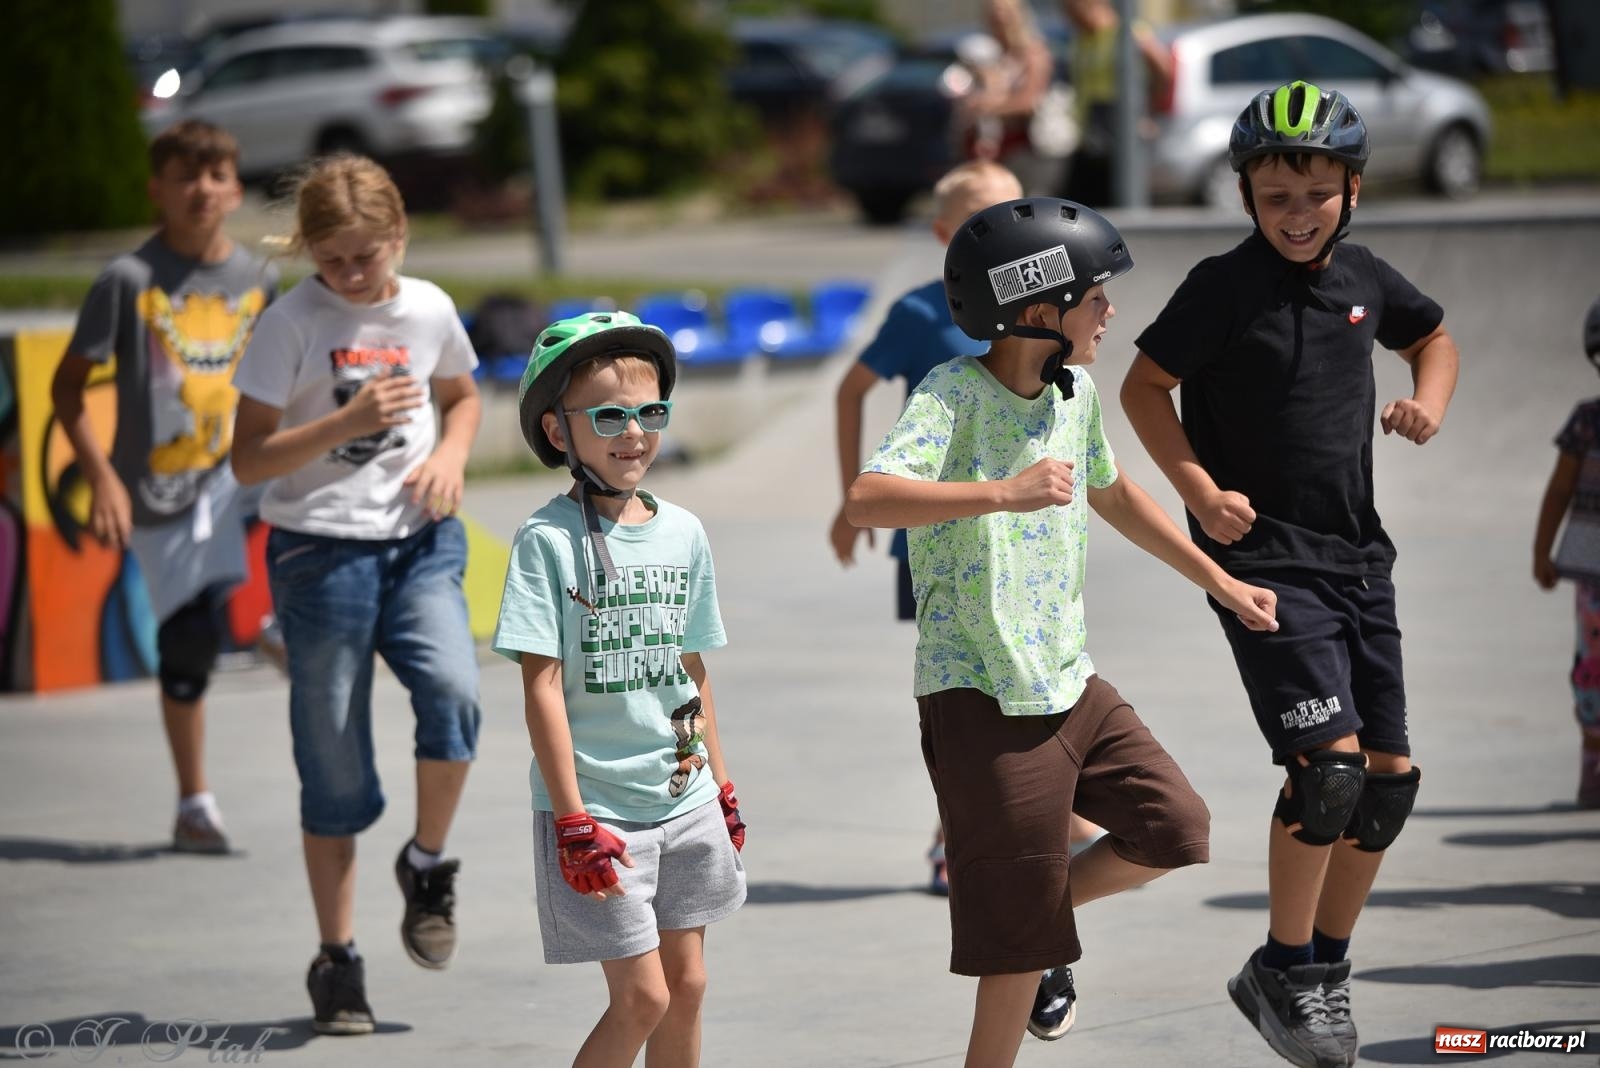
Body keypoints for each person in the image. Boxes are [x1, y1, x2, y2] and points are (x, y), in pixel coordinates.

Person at [845, 195, 1279, 1067]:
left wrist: (1222, 582)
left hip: (1070, 682)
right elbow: (868, 499)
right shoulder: (951, 394)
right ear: (1038, 312)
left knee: (1174, 827)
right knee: (1012, 951)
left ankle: (1034, 915)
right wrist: (999, 490)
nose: (1112, 312)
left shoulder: (1073, 393)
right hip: (979, 694)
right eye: (1096, 297)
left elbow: (1114, 495)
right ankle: (1022, 938)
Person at [1121, 82, 1461, 1068]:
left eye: (1315, 193)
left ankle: (1317, 966)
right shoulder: (1222, 288)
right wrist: (1195, 485)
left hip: (1358, 558)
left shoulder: (1363, 274)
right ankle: (1287, 965)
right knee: (1328, 774)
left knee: (1386, 786)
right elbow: (1145, 387)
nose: (1297, 214)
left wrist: (1426, 399)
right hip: (1264, 565)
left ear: (1351, 190)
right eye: (1275, 198)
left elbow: (1430, 337)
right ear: (1245, 197)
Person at [230, 155, 484, 1035]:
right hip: (317, 553)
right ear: (308, 251)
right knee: (331, 754)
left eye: (367, 256)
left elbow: (462, 397)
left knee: (454, 691)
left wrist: (450, 454)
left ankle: (427, 865)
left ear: (399, 235)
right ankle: (338, 961)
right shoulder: (290, 323)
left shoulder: (429, 308)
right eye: (333, 260)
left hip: (419, 543)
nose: (350, 274)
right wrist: (347, 421)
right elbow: (249, 458)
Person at [493, 311, 746, 1068]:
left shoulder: (685, 533)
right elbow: (541, 687)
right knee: (644, 997)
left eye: (650, 412)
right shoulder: (546, 542)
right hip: (601, 810)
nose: (633, 432)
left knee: (689, 983)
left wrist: (723, 785)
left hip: (686, 796)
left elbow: (691, 671)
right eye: (608, 415)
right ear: (558, 431)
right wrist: (571, 819)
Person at [51, 119, 278, 856]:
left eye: (216, 175)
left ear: (237, 188)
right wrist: (103, 479)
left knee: (277, 578)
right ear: (157, 189)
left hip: (237, 479)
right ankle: (193, 801)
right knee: (186, 646)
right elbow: (66, 391)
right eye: (185, 175)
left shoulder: (258, 277)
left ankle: (266, 629)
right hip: (157, 495)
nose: (202, 190)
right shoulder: (128, 282)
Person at [1532, 295, 1600, 809]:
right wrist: (1542, 552)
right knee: (1593, 668)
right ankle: (1593, 762)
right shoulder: (1587, 422)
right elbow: (1559, 490)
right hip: (1593, 574)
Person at [1057, 0, 1172, 206]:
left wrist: (1150, 112)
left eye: (1069, 9)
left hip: (1120, 127)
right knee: (1081, 200)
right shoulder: (1082, 37)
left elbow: (1162, 67)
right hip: (1090, 131)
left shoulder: (1126, 31)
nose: (1067, 17)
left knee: (1116, 198)